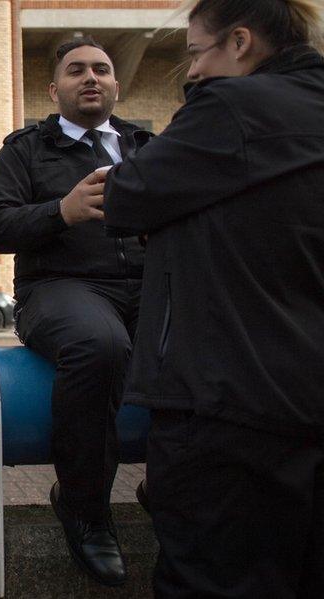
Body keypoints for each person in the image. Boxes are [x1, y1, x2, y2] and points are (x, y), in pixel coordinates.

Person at [103, 1, 324, 596]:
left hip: (228, 393)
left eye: (197, 51)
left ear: (241, 42)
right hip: (307, 392)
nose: (194, 71)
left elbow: (129, 195)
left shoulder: (234, 106)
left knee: (208, 577)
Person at [0, 38, 152, 587]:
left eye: (101, 69)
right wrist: (62, 211)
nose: (91, 78)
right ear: (54, 89)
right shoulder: (26, 150)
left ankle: (171, 490)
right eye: (76, 71)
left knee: (208, 341)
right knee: (101, 345)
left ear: (116, 84)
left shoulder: (147, 146)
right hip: (61, 290)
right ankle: (85, 510)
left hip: (149, 286)